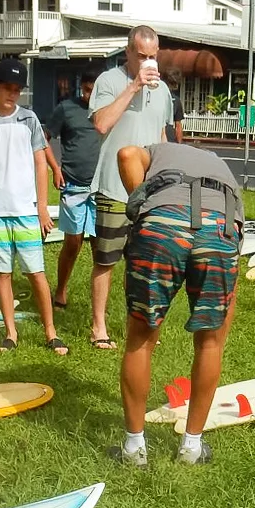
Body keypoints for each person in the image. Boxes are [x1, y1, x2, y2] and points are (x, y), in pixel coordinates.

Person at [114, 139, 244, 467]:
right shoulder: (221, 167)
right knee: (211, 345)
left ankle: (134, 449)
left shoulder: (155, 150)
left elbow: (127, 155)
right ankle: (192, 447)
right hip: (220, 227)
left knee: (141, 341)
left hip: (162, 224)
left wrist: (141, 203)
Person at [0, 57, 69, 356]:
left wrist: (42, 208)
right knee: (3, 274)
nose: (11, 94)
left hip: (26, 211)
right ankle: (10, 333)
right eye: (6, 88)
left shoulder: (29, 120)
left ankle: (51, 332)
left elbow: (40, 164)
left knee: (36, 273)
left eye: (17, 89)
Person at [87, 25, 173, 350]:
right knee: (106, 260)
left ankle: (136, 326)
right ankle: (99, 328)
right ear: (128, 53)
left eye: (153, 56)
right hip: (112, 187)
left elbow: (161, 136)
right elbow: (101, 124)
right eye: (142, 56)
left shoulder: (163, 90)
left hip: (148, 191)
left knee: (142, 264)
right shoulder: (109, 81)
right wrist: (134, 86)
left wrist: (166, 178)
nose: (148, 62)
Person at [43, 73, 102, 310]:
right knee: (73, 242)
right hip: (74, 186)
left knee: (101, 246)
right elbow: (42, 138)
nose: (90, 96)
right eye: (86, 90)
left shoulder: (110, 111)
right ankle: (61, 290)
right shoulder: (67, 109)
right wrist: (55, 168)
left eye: (94, 91)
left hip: (101, 188)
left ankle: (98, 302)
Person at [164, 70, 186, 142]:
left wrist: (179, 144)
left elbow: (178, 125)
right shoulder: (156, 98)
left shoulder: (176, 100)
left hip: (169, 138)